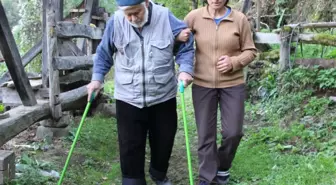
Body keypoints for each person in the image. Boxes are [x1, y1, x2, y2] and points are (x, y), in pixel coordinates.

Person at [86, 0, 195, 184]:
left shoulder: (165, 16)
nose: (132, 18)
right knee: (130, 147)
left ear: (146, 3)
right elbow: (104, 53)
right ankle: (133, 180)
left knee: (164, 142)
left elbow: (186, 44)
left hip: (162, 96)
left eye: (136, 12)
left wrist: (185, 69)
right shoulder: (116, 21)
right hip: (128, 96)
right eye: (128, 14)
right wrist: (97, 78)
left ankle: (158, 173)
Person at [177, 0, 257, 184]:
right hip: (203, 84)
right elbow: (180, 43)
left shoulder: (239, 19)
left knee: (233, 132)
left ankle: (222, 166)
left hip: (233, 84)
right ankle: (207, 178)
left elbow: (250, 51)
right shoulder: (194, 17)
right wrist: (178, 38)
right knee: (206, 134)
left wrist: (234, 62)